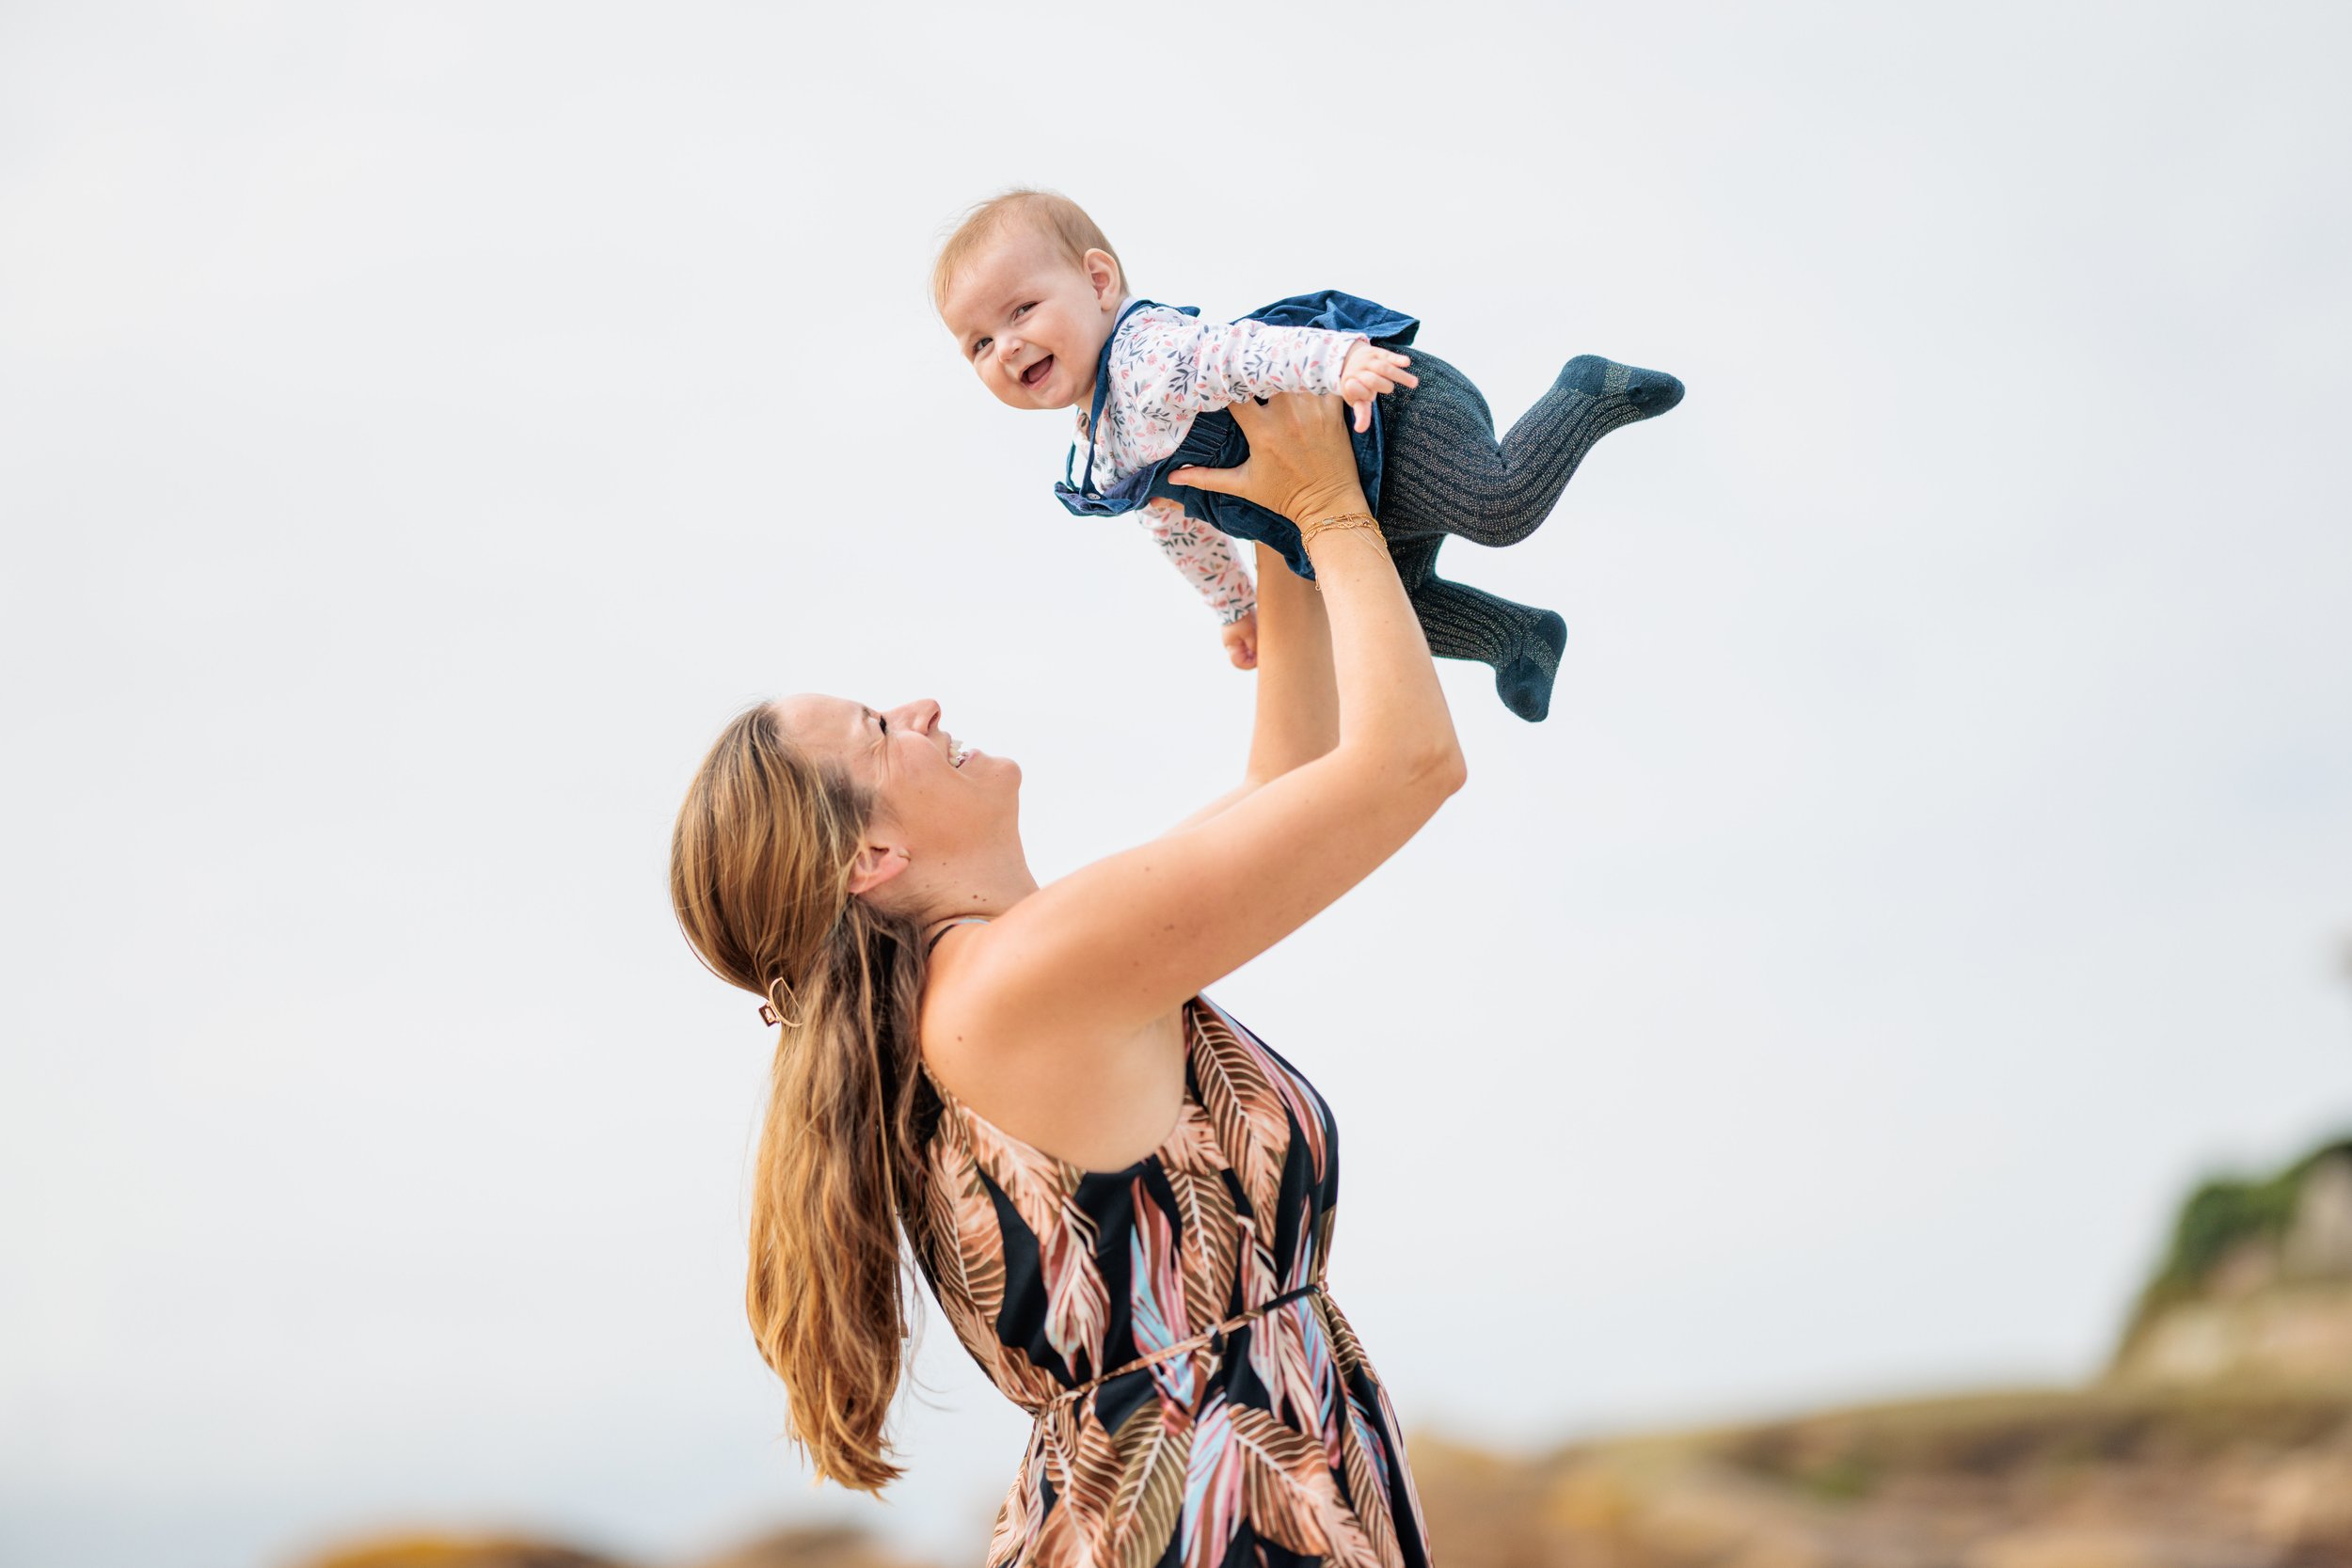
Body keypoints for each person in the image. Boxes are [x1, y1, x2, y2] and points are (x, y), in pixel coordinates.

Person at [669, 391, 1463, 1568]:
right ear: (867, 859)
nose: (925, 705)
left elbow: (1294, 775)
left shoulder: (1008, 976)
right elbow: (1405, 764)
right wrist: (1328, 510)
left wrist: (1270, 515)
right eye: (881, 726)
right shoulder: (1012, 983)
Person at [932, 187, 1684, 721]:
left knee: (1501, 506)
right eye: (979, 344)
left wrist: (1338, 364)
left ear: (1098, 281)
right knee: (1383, 611)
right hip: (1356, 499)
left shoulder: (1147, 353)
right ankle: (1517, 638)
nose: (1007, 347)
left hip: (1384, 412)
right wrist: (1233, 607)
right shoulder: (1103, 444)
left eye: (1021, 309)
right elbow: (1176, 525)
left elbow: (1241, 353)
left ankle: (1585, 393)